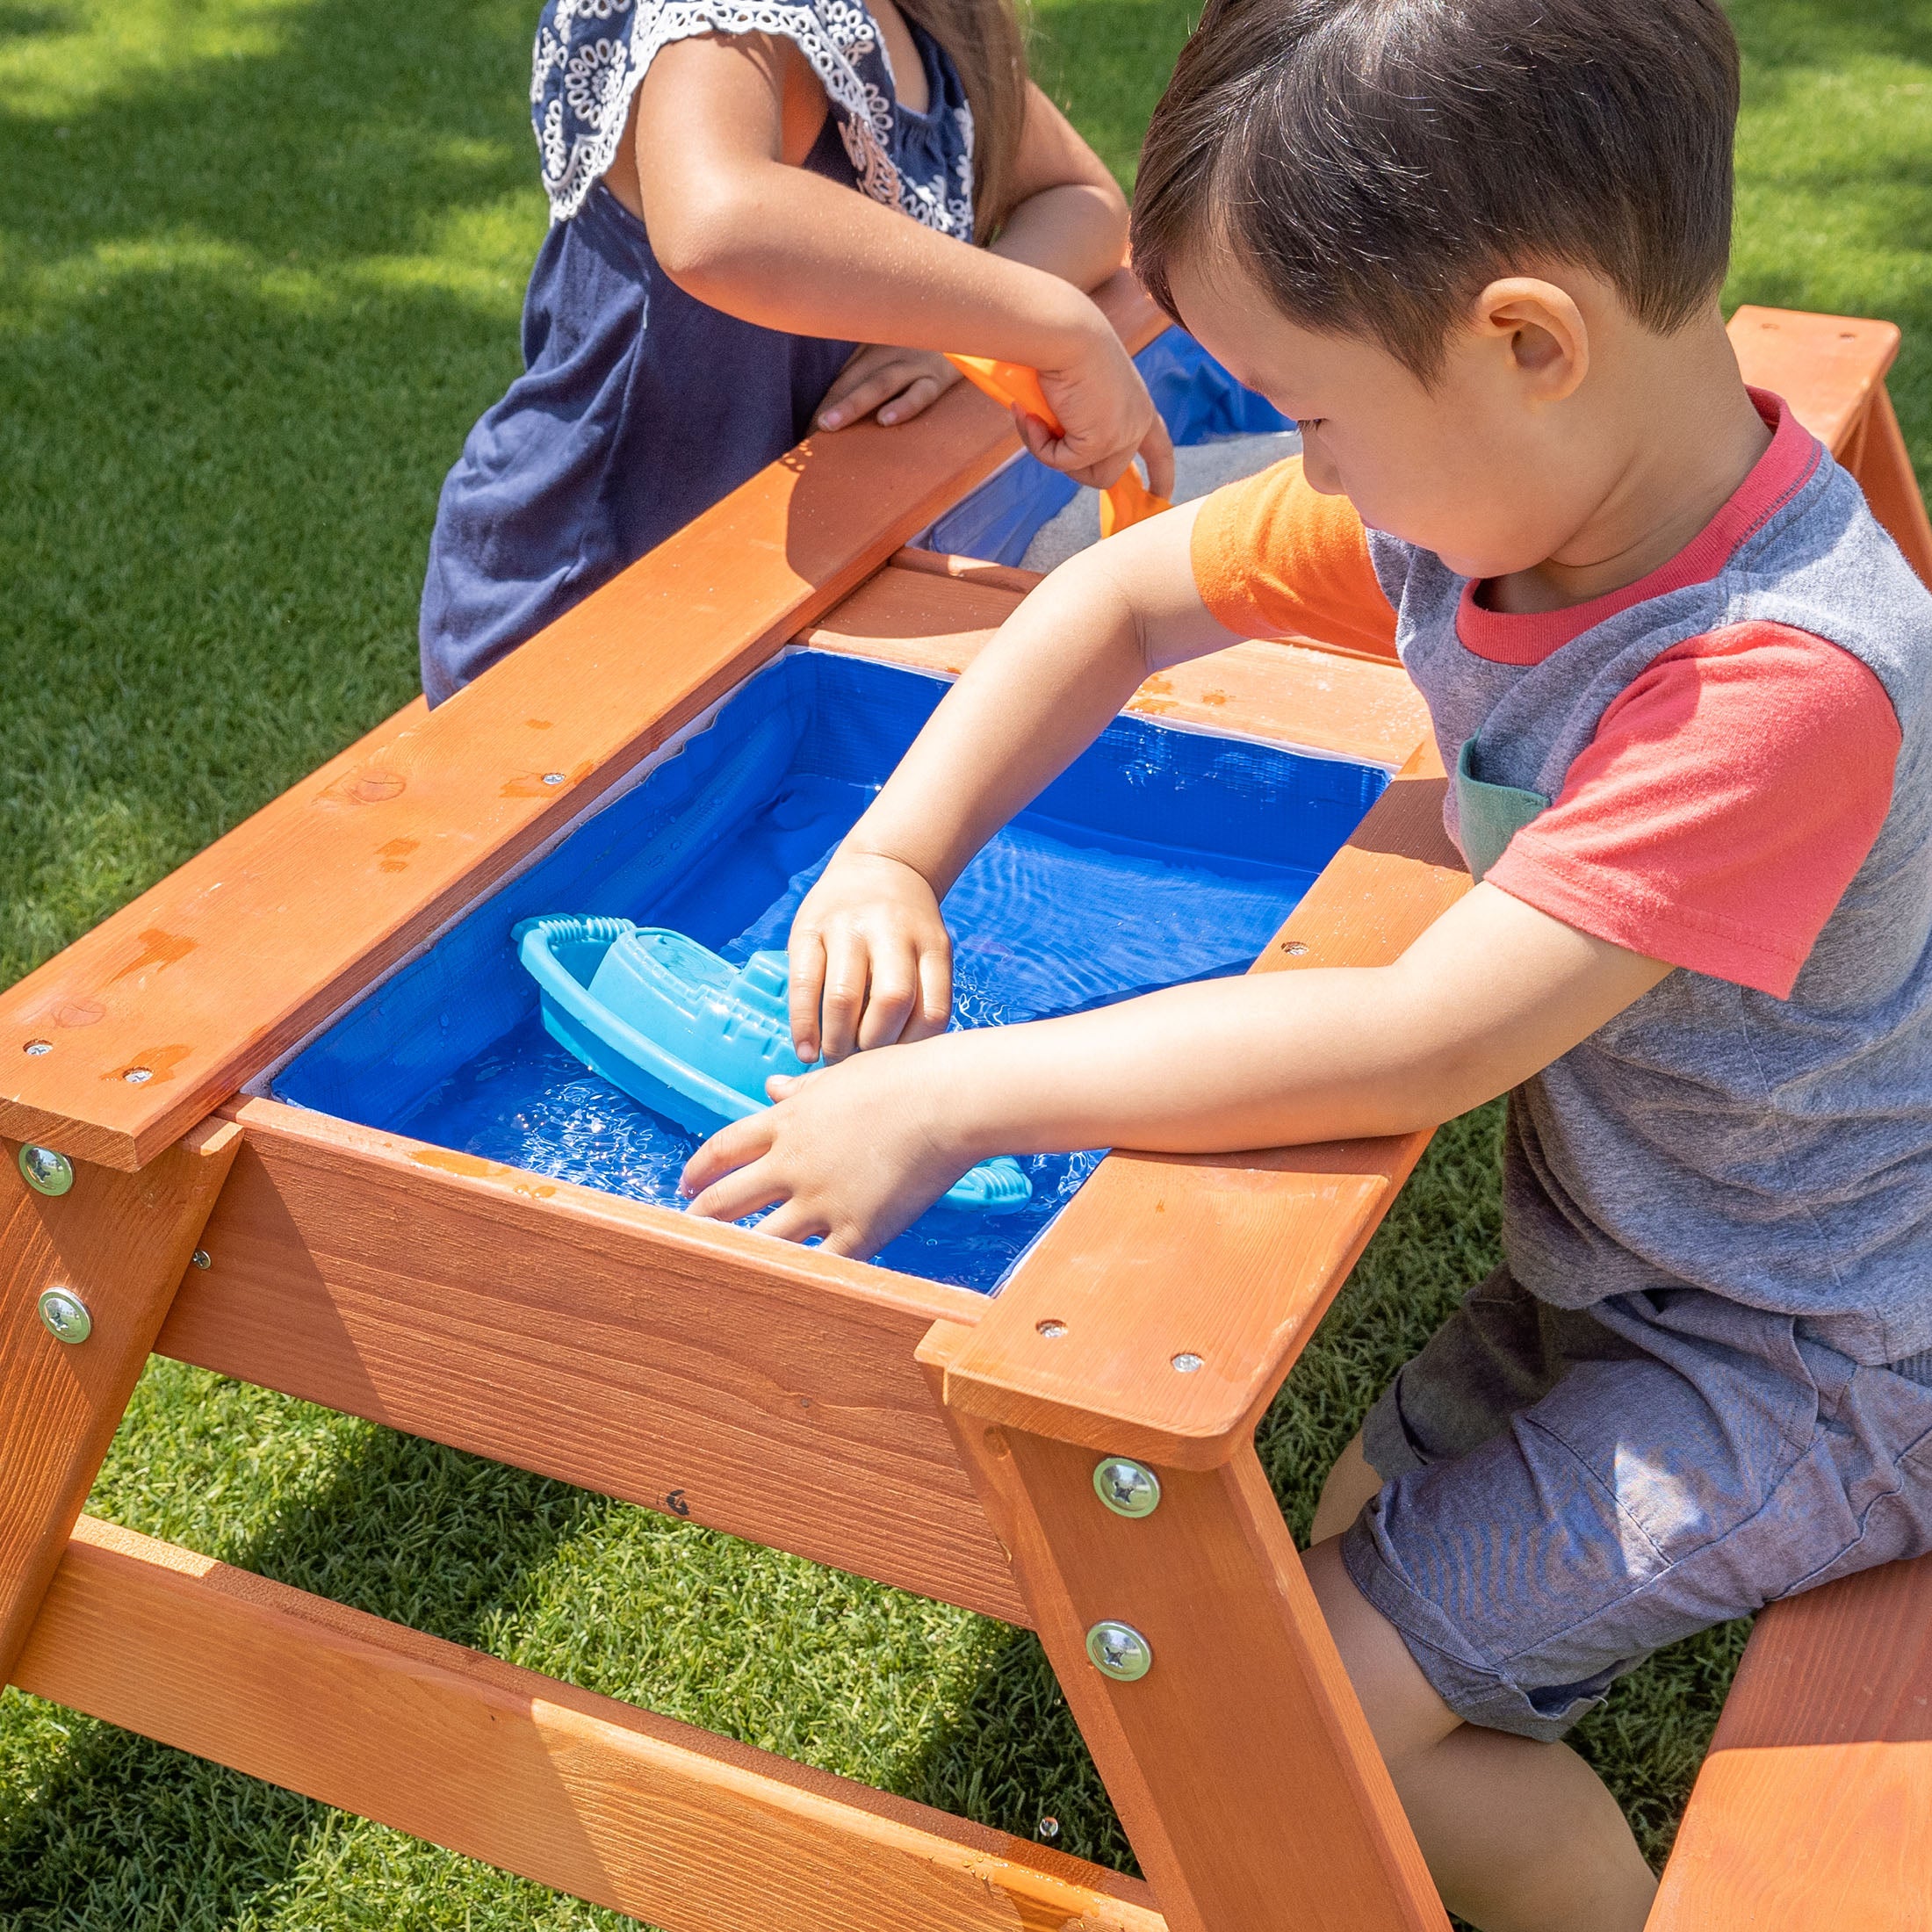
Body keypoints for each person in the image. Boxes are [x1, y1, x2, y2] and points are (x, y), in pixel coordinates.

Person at [676, 0, 1932, 1925]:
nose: (1314, 482)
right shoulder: (1516, 505)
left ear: (1524, 340)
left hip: (1822, 1352)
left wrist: (951, 1087)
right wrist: (892, 847)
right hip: (1629, 1267)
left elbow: (1413, 1040)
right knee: (1293, 1570)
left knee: (1309, 1707)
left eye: (1315, 416)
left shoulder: (1770, 683)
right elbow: (1114, 590)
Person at [419, 0, 1171, 704]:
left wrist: (959, 329)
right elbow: (716, 226)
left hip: (769, 604)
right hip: (586, 603)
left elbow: (1084, 199)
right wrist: (1054, 325)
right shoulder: (732, 28)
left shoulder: (925, 19)